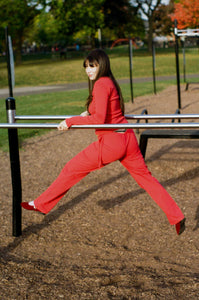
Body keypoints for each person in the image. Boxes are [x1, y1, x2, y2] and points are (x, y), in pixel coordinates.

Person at [21, 49, 186, 235]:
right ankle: (176, 216)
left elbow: (100, 119)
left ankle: (41, 204)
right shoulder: (109, 82)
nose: (89, 70)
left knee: (71, 169)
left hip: (112, 141)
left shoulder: (101, 84)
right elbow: (104, 111)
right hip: (127, 138)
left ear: (102, 65)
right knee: (146, 179)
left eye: (93, 66)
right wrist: (86, 113)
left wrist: (71, 121)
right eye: (86, 67)